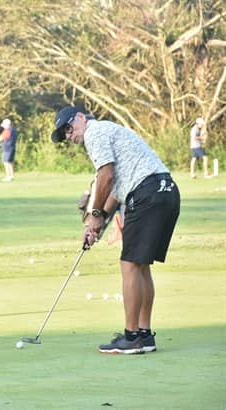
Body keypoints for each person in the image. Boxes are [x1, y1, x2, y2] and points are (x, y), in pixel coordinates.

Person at [51, 106, 180, 354]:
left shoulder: (94, 132)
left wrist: (96, 215)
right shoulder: (109, 131)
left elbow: (105, 177)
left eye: (68, 128)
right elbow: (113, 190)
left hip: (147, 194)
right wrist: (97, 223)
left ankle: (131, 337)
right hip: (165, 192)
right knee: (140, 264)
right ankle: (143, 334)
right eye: (63, 135)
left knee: (129, 263)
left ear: (80, 118)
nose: (68, 135)